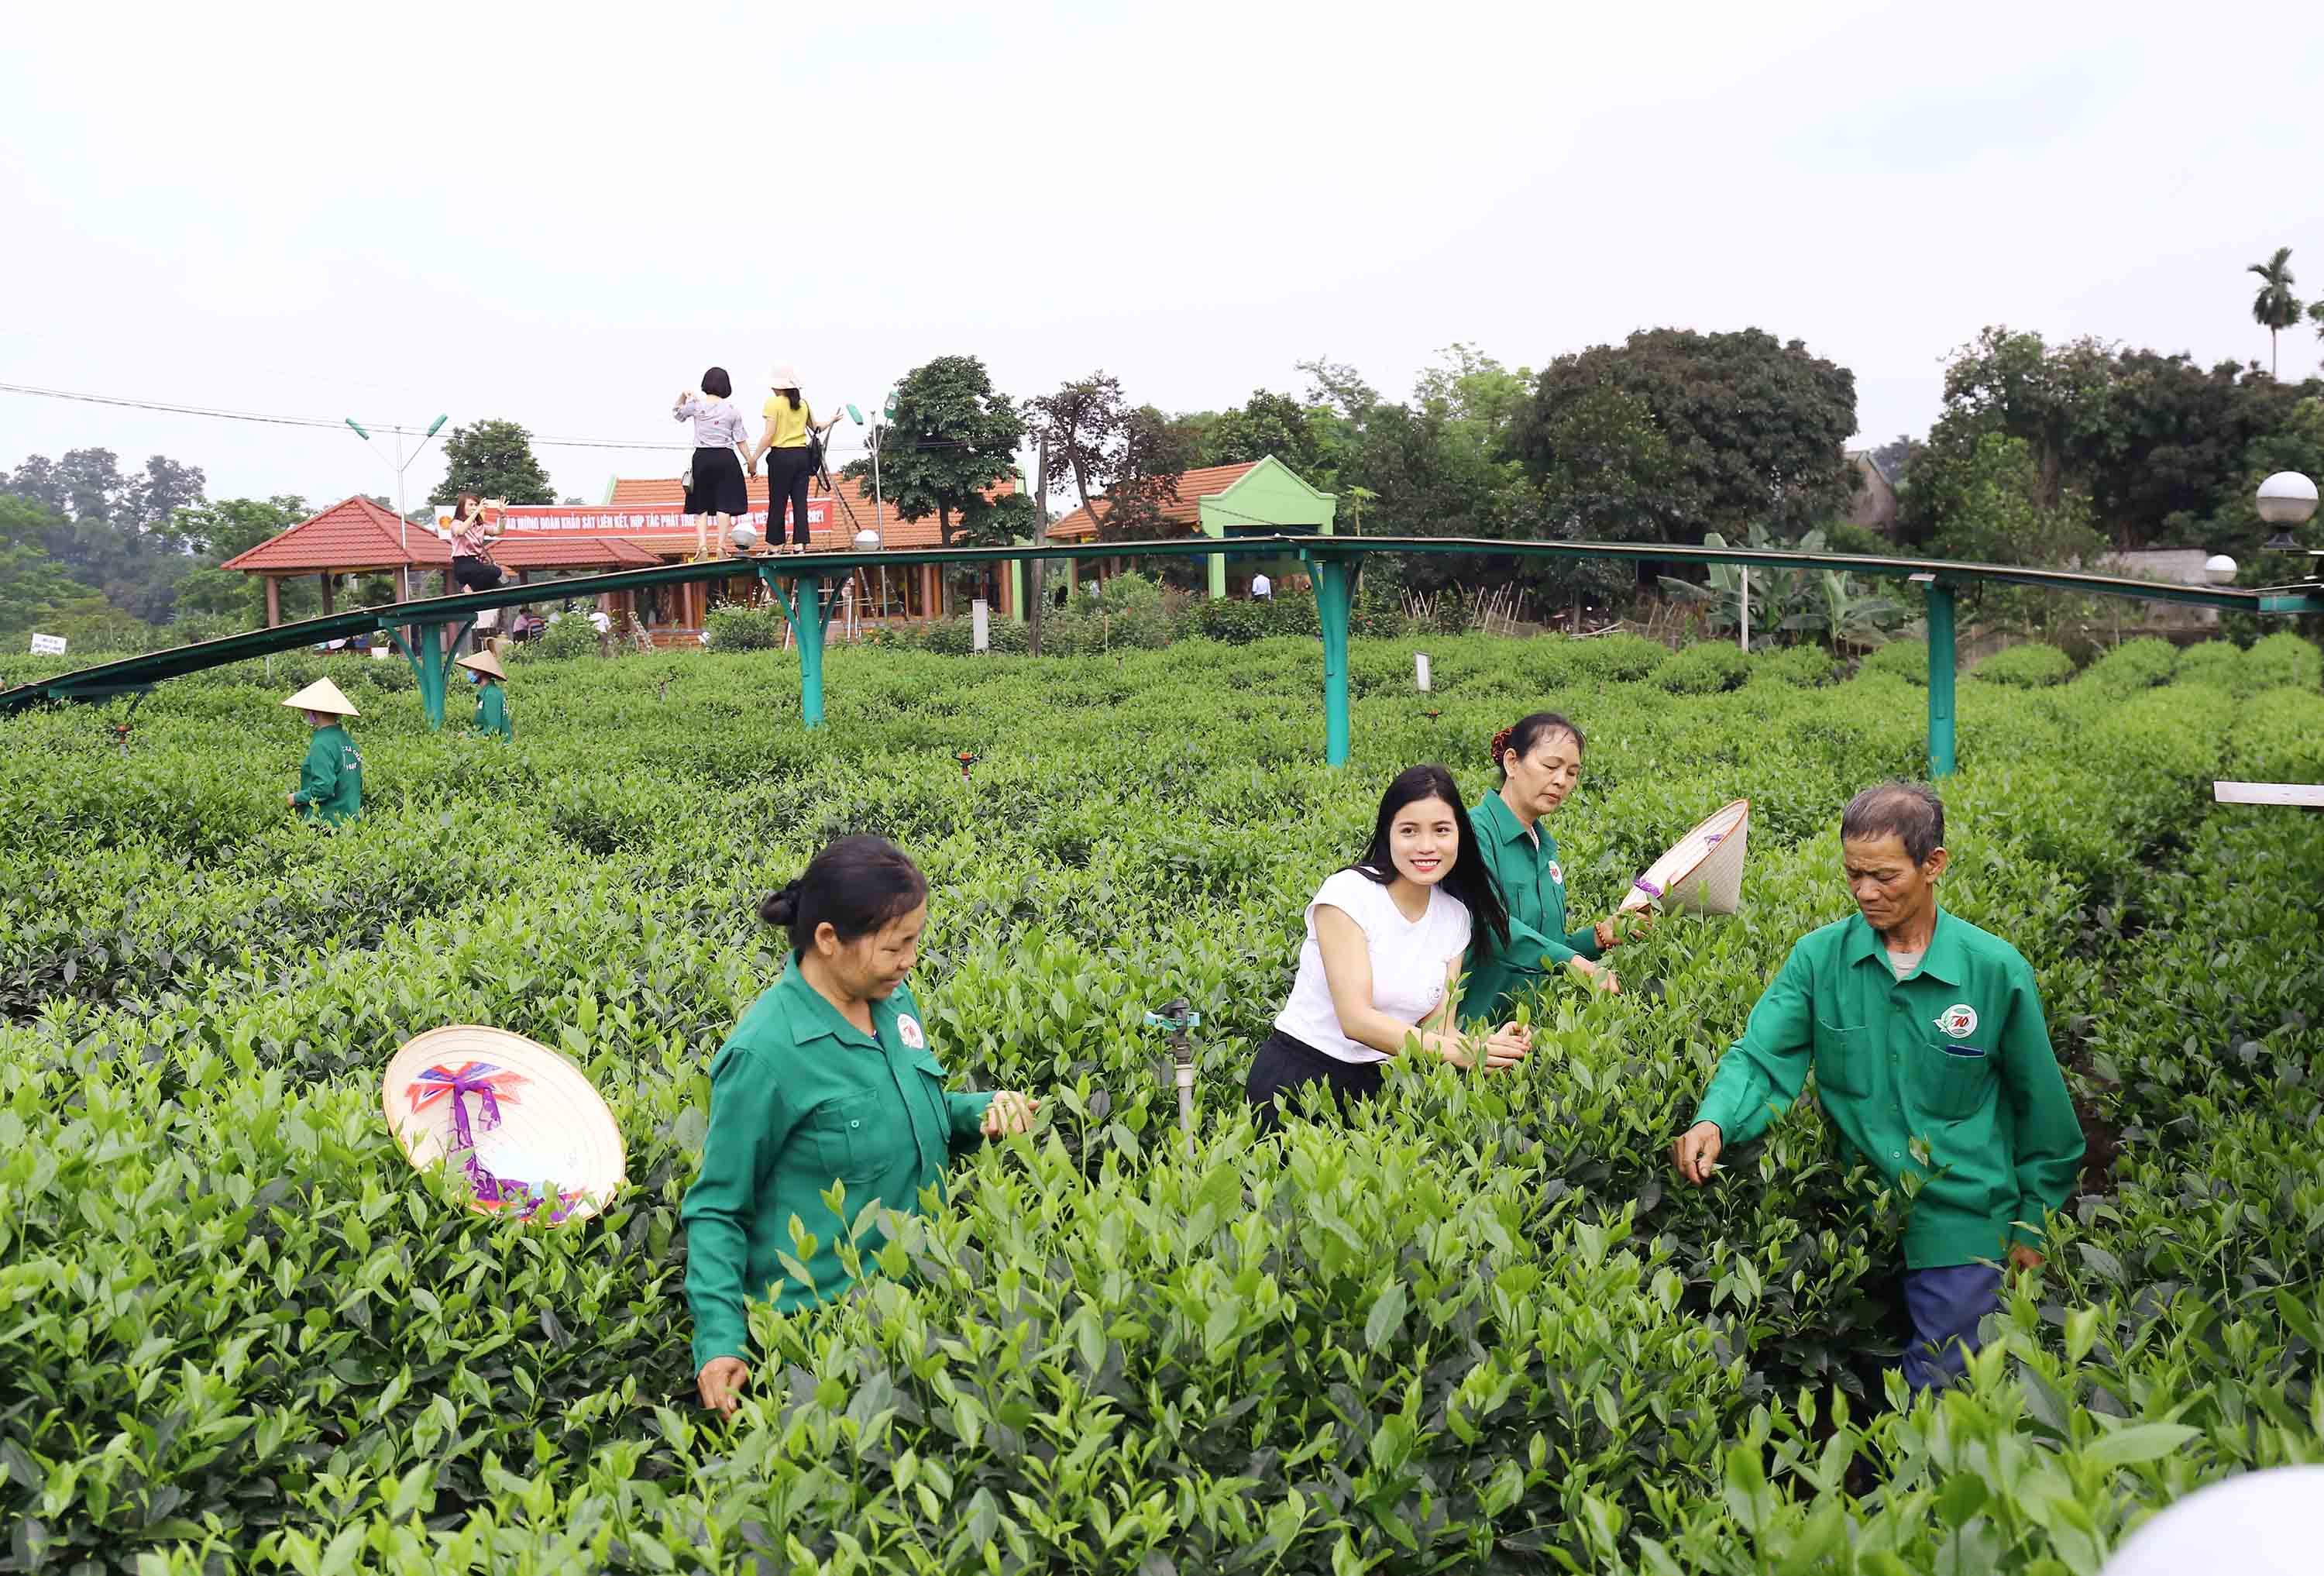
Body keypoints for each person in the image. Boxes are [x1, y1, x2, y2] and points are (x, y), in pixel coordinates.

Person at [1671, 781, 2085, 1392]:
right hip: (1857, 1227)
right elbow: (1763, 1056)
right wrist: (1715, 1120)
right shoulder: (1820, 960)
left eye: (1884, 876)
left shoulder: (1995, 972)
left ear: (1933, 865)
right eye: (1853, 874)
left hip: (1962, 1229)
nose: (1865, 892)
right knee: (1867, 1404)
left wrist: (2031, 1225)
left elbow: (2044, 1114)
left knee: (1943, 1405)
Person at [684, 836, 1043, 1416]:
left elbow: (908, 1113)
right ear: (828, 939)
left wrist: (980, 1115)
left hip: (923, 1308)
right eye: (894, 946)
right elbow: (718, 1209)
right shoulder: (766, 1054)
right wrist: (719, 1341)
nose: (909, 961)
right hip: (824, 1346)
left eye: (914, 942)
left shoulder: (893, 1002)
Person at [1246, 764, 1533, 1131]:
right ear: (1388, 835)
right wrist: (1465, 1054)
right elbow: (1356, 1020)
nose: (1426, 846)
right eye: (1409, 831)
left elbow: (1439, 1031)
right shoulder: (1348, 894)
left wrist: (1490, 1048)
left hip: (1378, 1089)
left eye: (1441, 830)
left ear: (1460, 835)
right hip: (1299, 1082)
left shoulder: (1455, 917)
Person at [1463, 713, 1627, 1022]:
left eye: (1572, 773)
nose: (1561, 781)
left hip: (1533, 1037)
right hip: (1474, 1040)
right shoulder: (1472, 832)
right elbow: (1492, 926)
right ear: (1512, 763)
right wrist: (1577, 964)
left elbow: (1548, 945)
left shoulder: (1545, 848)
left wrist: (1599, 937)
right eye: (1551, 767)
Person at [746, 366, 841, 556]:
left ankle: (775, 546)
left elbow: (768, 435)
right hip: (801, 457)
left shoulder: (773, 404)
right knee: (800, 502)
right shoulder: (803, 404)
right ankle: (800, 545)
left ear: (779, 387)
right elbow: (817, 427)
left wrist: (753, 459)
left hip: (781, 457)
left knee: (778, 502)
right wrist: (832, 420)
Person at [674, 368, 754, 562]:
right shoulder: (732, 410)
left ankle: (702, 546)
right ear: (726, 386)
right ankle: (720, 547)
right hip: (726, 458)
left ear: (705, 383)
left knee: (700, 503)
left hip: (702, 457)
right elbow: (740, 440)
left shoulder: (696, 406)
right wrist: (751, 463)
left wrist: (682, 396)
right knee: (724, 503)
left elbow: (677, 414)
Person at [281, 678, 363, 825]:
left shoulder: (322, 744)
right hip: (350, 821)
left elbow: (324, 788)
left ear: (313, 712)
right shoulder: (345, 738)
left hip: (327, 824)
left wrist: (296, 798)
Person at [459, 649, 512, 739]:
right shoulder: (488, 693)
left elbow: (492, 731)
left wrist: (469, 736)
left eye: (471, 669)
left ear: (479, 671)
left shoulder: (491, 695)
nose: (469, 673)